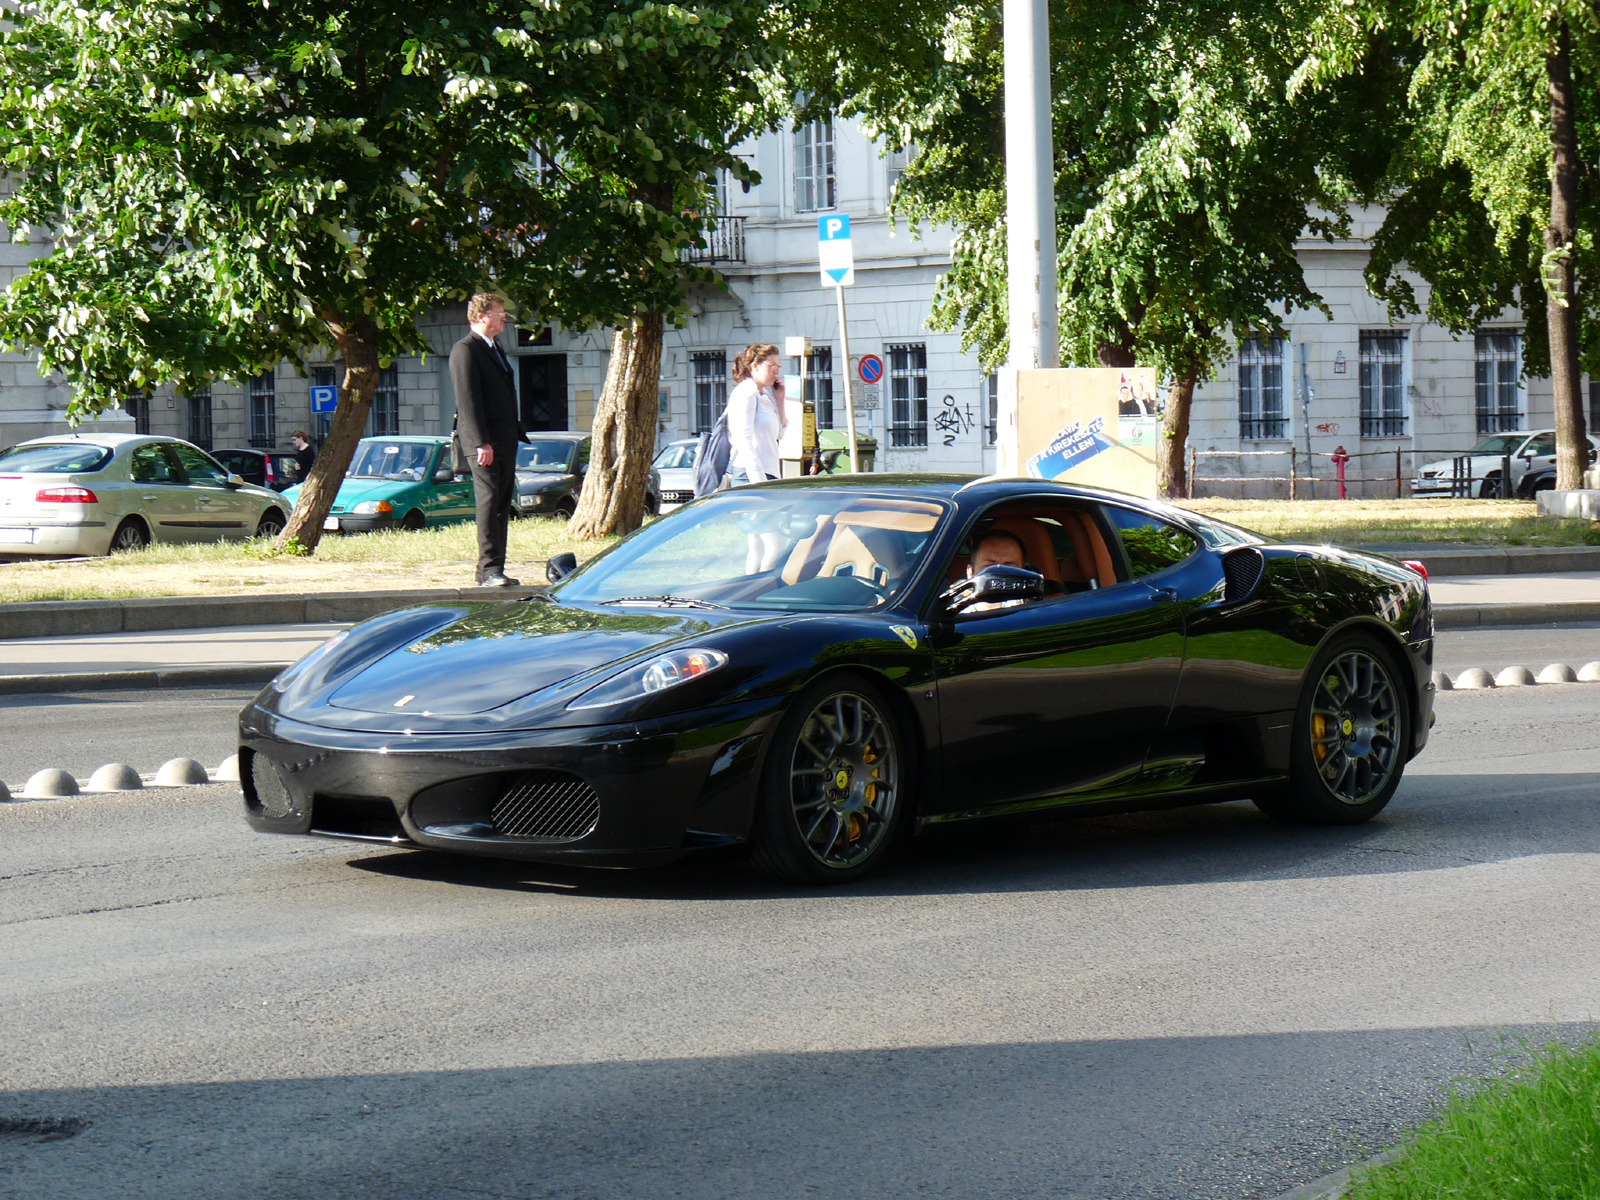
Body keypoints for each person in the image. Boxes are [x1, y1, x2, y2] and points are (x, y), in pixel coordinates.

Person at [450, 292, 528, 587]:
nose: (504, 318)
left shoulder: (496, 348)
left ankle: (491, 571)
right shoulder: (465, 350)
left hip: (506, 439)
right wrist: (481, 442)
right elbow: (467, 400)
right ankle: (489, 568)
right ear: (481, 316)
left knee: (502, 504)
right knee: (489, 502)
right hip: (484, 444)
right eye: (499, 313)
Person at [726, 343, 788, 573]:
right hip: (751, 475)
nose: (776, 371)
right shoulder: (746, 392)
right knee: (776, 543)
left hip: (767, 473)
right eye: (772, 365)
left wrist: (780, 400)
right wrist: (759, 483)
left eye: (778, 366)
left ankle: (751, 591)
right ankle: (762, 590)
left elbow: (779, 433)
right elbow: (743, 439)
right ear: (754, 366)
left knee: (757, 545)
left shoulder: (764, 396)